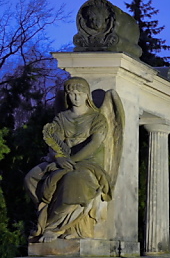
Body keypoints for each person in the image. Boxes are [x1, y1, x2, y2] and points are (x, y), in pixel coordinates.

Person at [25, 77, 120, 241]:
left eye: (80, 94)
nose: (76, 97)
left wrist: (71, 161)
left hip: (89, 162)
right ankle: (44, 214)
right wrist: (59, 158)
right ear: (67, 96)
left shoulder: (97, 118)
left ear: (87, 95)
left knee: (73, 179)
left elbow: (94, 143)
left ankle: (54, 228)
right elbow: (54, 142)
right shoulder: (62, 118)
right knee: (31, 177)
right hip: (63, 160)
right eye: (72, 94)